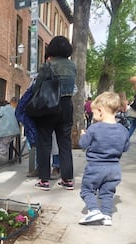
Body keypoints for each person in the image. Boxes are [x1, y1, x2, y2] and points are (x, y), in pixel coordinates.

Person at [78, 92, 130, 225]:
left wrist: (84, 135)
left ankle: (94, 210)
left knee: (87, 190)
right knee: (107, 193)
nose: (93, 115)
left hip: (95, 167)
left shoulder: (94, 129)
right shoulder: (123, 130)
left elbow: (83, 145)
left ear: (100, 111)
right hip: (114, 169)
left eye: (94, 112)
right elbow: (125, 148)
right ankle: (107, 215)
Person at [32, 36, 77, 191]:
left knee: (44, 143)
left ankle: (44, 180)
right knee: (65, 143)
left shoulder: (48, 65)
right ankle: (68, 179)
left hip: (49, 106)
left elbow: (37, 87)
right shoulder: (72, 66)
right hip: (66, 106)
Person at [0, 100, 20, 167]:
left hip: (6, 131)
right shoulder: (11, 108)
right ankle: (9, 156)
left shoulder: (2, 109)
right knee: (6, 143)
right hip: (15, 131)